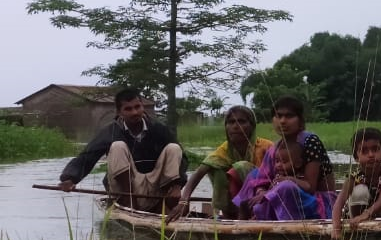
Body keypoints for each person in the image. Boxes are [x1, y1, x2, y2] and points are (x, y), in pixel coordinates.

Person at [58, 87, 187, 212]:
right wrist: (70, 178)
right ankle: (129, 200)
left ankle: (167, 204)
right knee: (117, 146)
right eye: (128, 109)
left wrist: (177, 186)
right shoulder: (111, 132)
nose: (135, 112)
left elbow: (182, 159)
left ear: (143, 107)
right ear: (119, 112)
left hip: (155, 187)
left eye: (137, 107)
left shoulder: (158, 129)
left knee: (174, 148)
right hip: (124, 189)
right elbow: (87, 157)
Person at [231, 96, 338, 220]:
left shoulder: (310, 141)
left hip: (317, 203)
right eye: (278, 116)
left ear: (300, 121)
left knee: (286, 187)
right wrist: (261, 192)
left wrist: (275, 188)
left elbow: (310, 187)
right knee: (253, 175)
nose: (282, 121)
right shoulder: (276, 147)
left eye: (289, 116)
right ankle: (243, 218)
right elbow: (262, 177)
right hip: (283, 195)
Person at [168, 105, 274, 221]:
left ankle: (253, 214)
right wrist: (183, 202)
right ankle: (228, 216)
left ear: (252, 125)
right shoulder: (224, 150)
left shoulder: (266, 147)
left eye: (242, 121)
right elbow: (198, 174)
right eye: (231, 122)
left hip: (264, 197)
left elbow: (279, 173)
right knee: (218, 169)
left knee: (240, 167)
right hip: (237, 204)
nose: (235, 126)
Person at [331, 127, 381, 240]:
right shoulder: (352, 179)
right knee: (360, 191)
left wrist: (366, 214)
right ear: (356, 157)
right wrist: (336, 228)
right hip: (356, 219)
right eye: (364, 151)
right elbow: (338, 205)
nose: (371, 155)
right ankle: (359, 236)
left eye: (375, 149)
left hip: (380, 215)